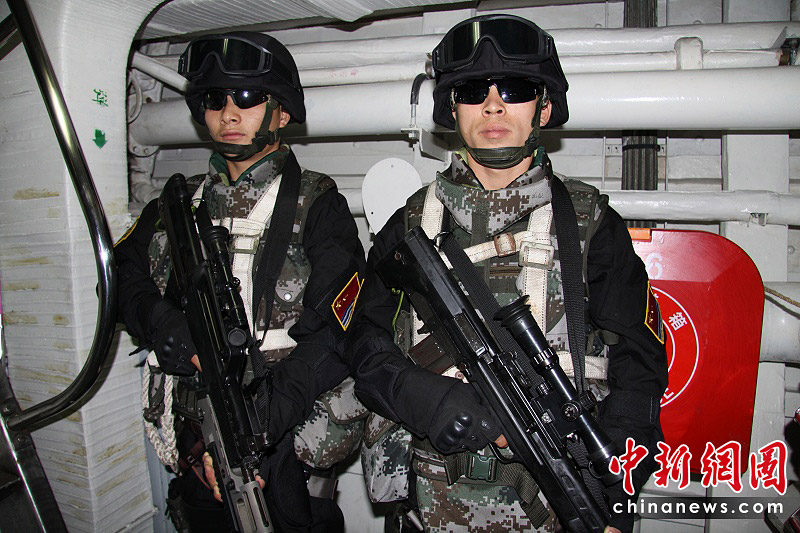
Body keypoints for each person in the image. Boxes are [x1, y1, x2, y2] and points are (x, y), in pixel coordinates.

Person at [346, 14, 668, 533]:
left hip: (557, 499)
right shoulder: (412, 221)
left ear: (544, 107)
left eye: (514, 90)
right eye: (473, 91)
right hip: (428, 500)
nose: (493, 105)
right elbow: (363, 339)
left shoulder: (588, 221)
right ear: (453, 108)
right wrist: (423, 396)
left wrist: (615, 497)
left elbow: (640, 364)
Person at [115, 31, 367, 532]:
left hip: (288, 439)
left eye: (248, 98)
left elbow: (337, 324)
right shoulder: (175, 204)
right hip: (193, 440)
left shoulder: (318, 204)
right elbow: (121, 275)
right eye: (215, 99)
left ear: (282, 112)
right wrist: (164, 323)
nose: (229, 114)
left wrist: (264, 420)